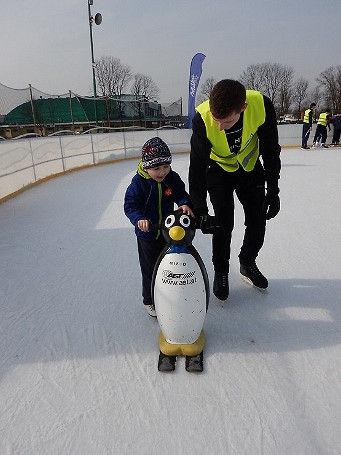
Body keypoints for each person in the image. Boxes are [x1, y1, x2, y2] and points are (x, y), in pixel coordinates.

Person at [188, 79, 281, 301]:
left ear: (243, 108)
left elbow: (270, 150)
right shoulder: (202, 119)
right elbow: (197, 169)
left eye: (226, 121)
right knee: (223, 222)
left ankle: (248, 262)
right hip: (218, 169)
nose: (219, 126)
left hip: (249, 167)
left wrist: (274, 190)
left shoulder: (261, 105)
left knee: (258, 218)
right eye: (216, 119)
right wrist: (200, 211)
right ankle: (221, 271)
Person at [124, 137, 193, 317]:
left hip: (167, 233)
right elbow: (130, 205)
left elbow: (181, 193)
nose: (162, 172)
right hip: (147, 235)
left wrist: (184, 203)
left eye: (166, 167)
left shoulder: (172, 177)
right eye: (156, 168)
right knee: (150, 270)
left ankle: (169, 295)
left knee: (168, 266)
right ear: (146, 167)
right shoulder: (138, 183)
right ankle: (149, 300)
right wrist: (139, 218)